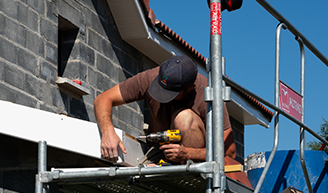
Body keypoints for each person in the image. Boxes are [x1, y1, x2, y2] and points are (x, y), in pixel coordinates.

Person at [94, 54, 235, 164]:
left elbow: (230, 153)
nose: (162, 95)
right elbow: (102, 99)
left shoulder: (208, 94)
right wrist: (107, 132)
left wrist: (189, 153)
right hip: (161, 150)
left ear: (190, 87)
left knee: (184, 117)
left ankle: (187, 171)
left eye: (170, 93)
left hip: (196, 158)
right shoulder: (150, 77)